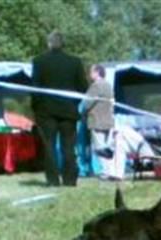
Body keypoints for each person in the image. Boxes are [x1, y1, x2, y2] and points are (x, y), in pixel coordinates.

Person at [31, 31, 88, 187]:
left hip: (46, 112)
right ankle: (70, 180)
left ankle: (53, 181)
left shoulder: (38, 61)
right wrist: (73, 103)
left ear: (49, 44)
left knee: (48, 147)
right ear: (63, 44)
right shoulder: (75, 62)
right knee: (68, 147)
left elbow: (35, 88)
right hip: (68, 111)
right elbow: (83, 87)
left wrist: (36, 108)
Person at [81, 64, 115, 180]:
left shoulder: (96, 86)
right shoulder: (108, 85)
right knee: (106, 147)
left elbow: (86, 103)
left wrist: (83, 109)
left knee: (100, 148)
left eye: (91, 72)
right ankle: (110, 170)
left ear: (97, 72)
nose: (90, 74)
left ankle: (105, 172)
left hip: (97, 120)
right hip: (108, 121)